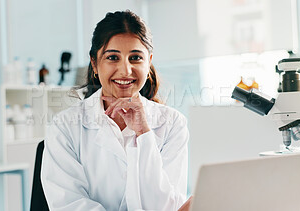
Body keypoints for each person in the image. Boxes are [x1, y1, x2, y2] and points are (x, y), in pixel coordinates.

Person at [41, 10, 190, 211]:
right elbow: (69, 204)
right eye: (112, 57)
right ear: (94, 63)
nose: (125, 70)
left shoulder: (173, 124)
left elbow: (165, 207)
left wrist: (144, 133)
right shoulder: (64, 126)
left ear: (149, 62)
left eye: (136, 58)